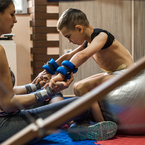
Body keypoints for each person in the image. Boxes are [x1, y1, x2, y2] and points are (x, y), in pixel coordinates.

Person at [0, 0, 91, 144]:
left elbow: (6, 92)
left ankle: (67, 121)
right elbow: (8, 103)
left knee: (49, 91)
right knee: (82, 104)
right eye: (12, 14)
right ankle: (77, 124)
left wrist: (37, 86)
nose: (15, 20)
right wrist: (49, 92)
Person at [42, 8, 134, 140]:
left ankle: (102, 125)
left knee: (81, 87)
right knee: (76, 87)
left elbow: (82, 55)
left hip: (126, 74)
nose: (69, 41)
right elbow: (69, 55)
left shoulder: (102, 36)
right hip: (113, 73)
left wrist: (61, 75)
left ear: (79, 28)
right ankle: (87, 122)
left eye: (68, 36)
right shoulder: (88, 41)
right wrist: (48, 71)